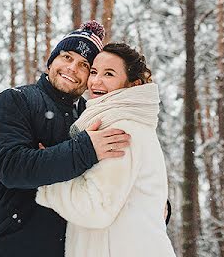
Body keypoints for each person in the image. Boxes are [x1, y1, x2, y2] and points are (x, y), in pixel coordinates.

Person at [0, 21, 132, 257]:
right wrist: (84, 150)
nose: (72, 68)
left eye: (84, 65)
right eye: (67, 57)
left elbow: (114, 178)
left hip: (75, 248)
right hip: (15, 246)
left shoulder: (92, 115)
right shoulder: (16, 100)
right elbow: (12, 167)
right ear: (51, 61)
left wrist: (151, 207)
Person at [36, 42, 176, 257]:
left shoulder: (121, 129)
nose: (96, 81)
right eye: (93, 72)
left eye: (109, 74)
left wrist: (48, 178)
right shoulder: (115, 123)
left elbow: (96, 208)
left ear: (132, 84)